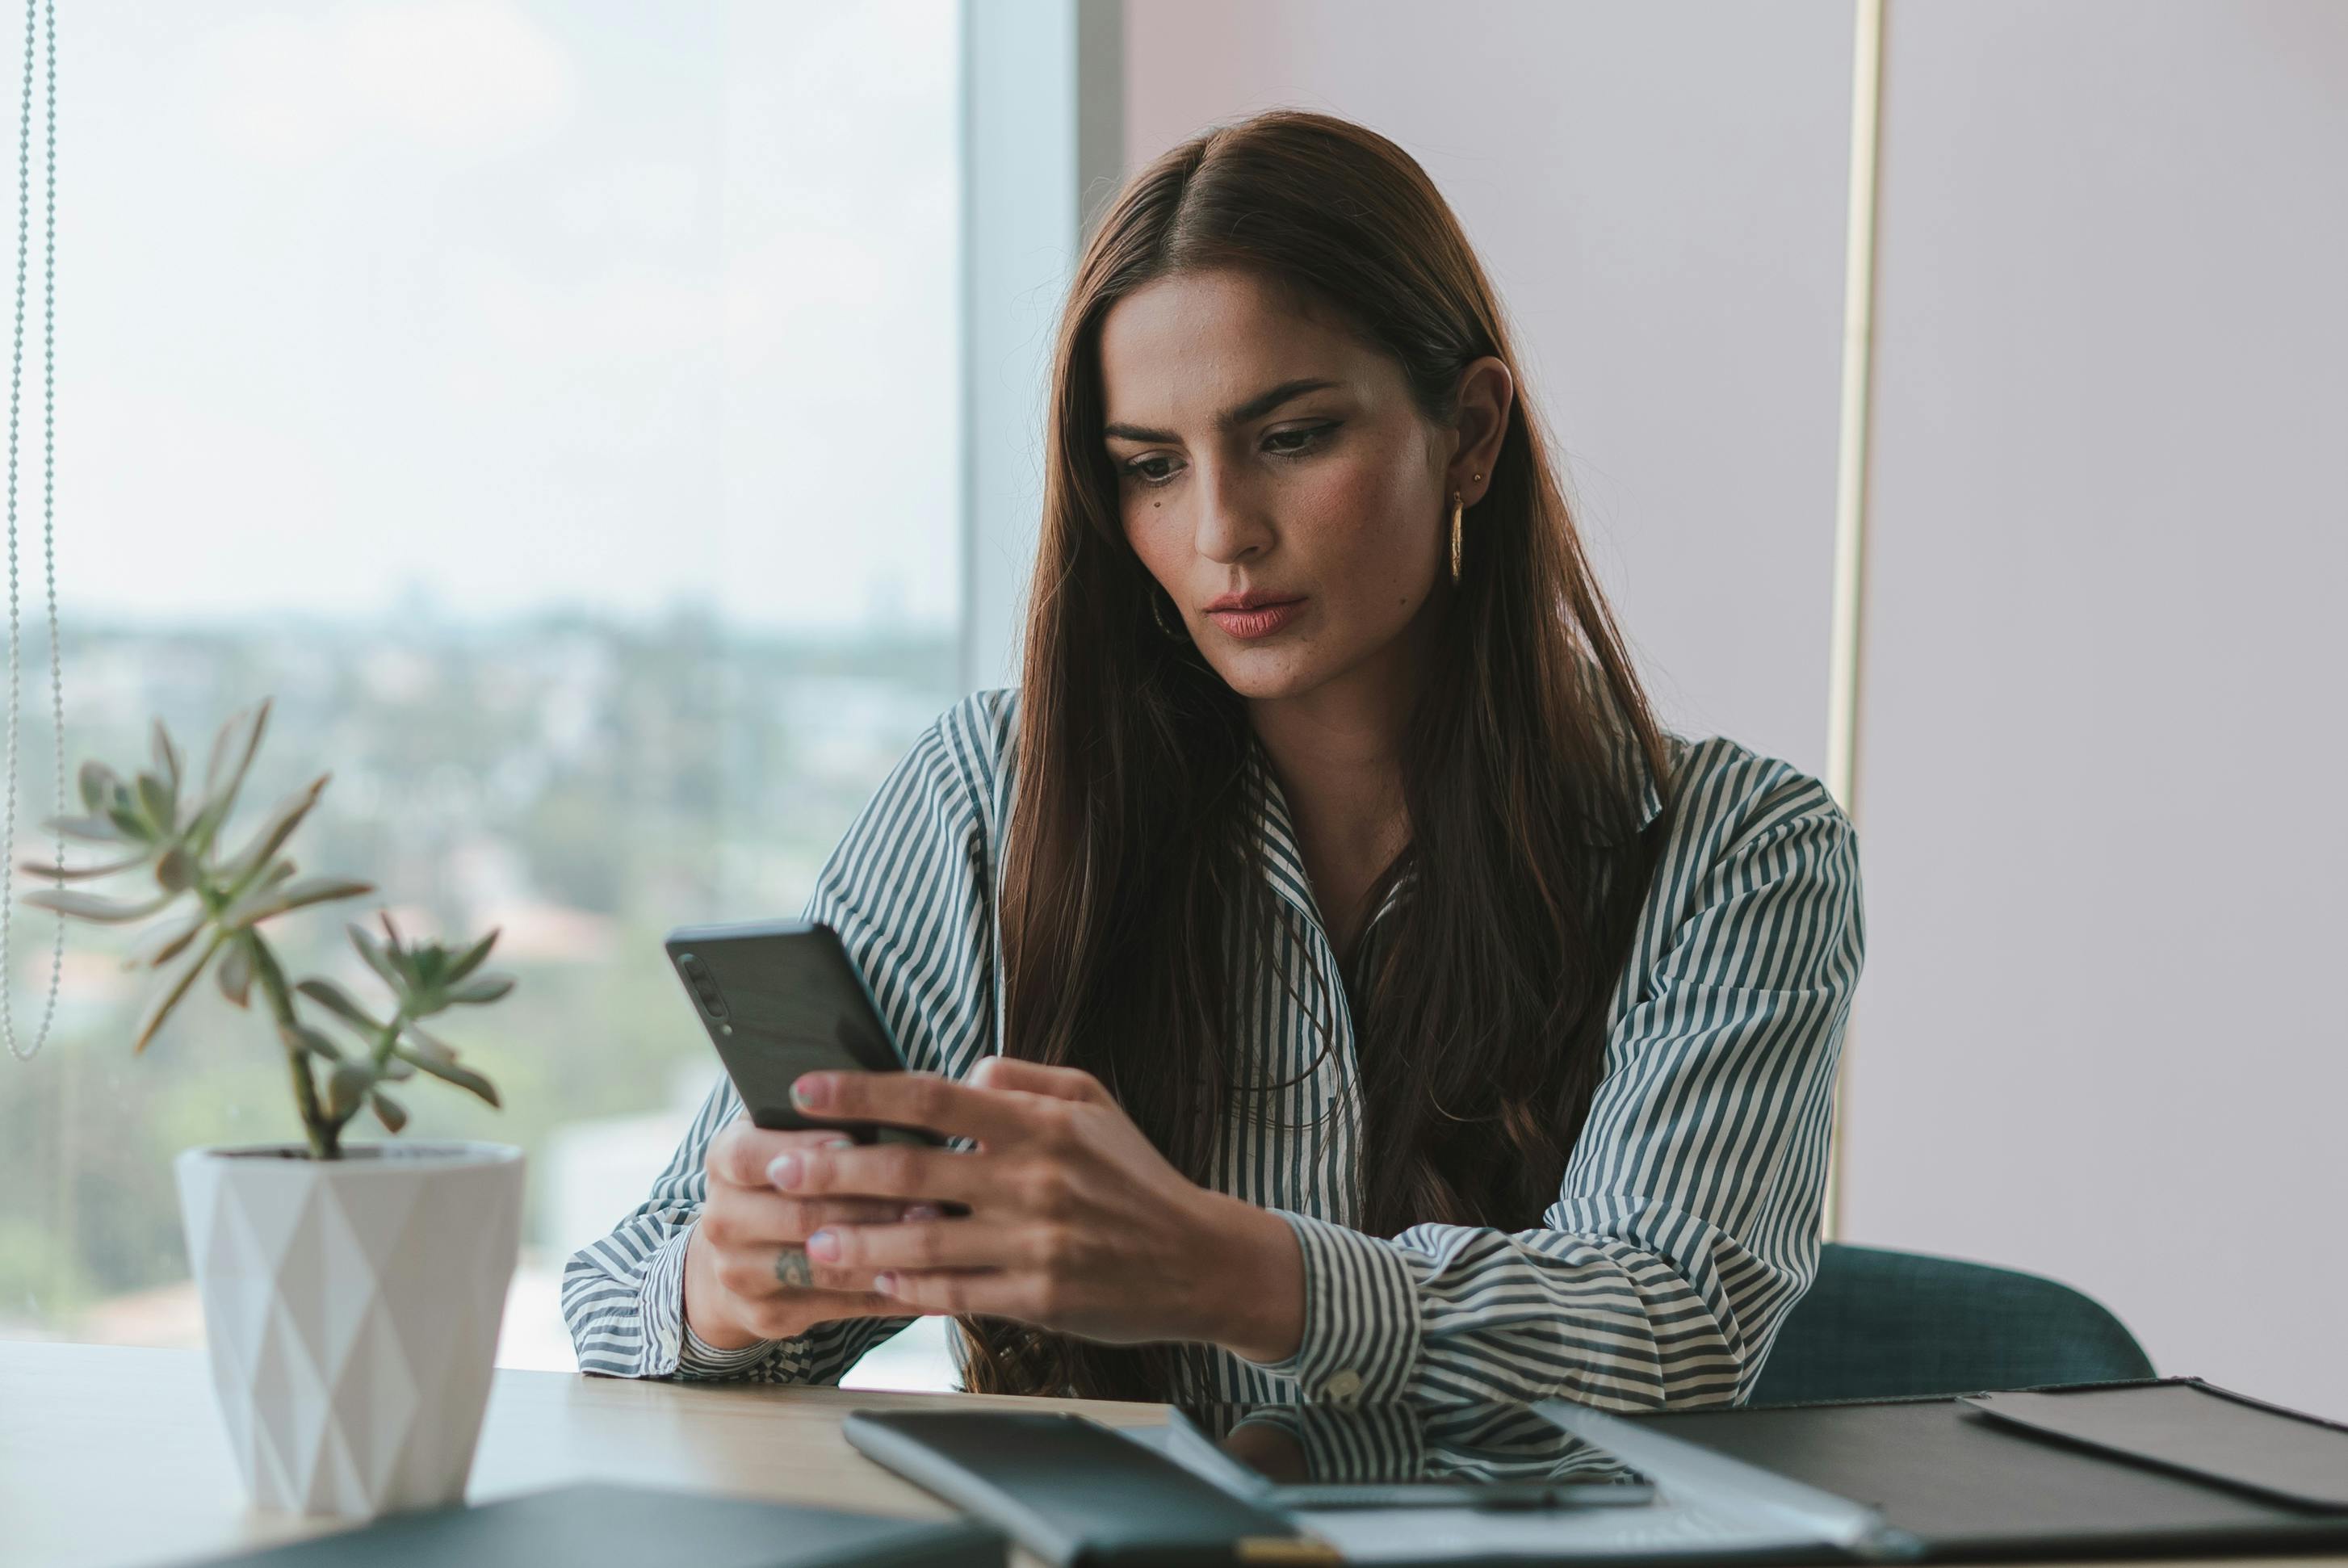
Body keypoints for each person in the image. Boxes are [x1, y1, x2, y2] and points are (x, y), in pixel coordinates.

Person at [563, 108, 1863, 1409]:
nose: (1221, 532)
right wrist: (732, 1287)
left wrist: (1219, 1268)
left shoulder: (1738, 848)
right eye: (1150, 468)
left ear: (1469, 433)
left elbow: (1669, 1322)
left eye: (1292, 438)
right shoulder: (998, 796)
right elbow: (620, 1296)